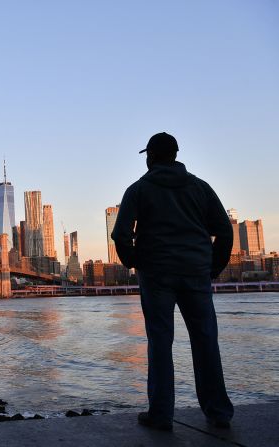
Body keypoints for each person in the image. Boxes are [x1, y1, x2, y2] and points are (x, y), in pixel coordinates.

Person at [111, 132, 234, 431]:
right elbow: (225, 231)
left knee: (160, 341)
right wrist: (212, 267)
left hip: (157, 276)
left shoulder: (139, 189)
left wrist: (137, 262)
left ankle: (161, 415)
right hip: (196, 273)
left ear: (150, 157)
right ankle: (218, 413)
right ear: (176, 155)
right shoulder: (201, 188)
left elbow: (120, 234)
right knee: (205, 341)